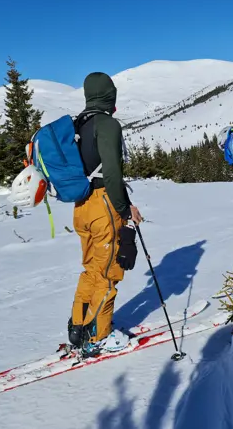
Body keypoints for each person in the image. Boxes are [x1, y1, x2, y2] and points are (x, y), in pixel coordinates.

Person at [68, 72, 142, 353]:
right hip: (103, 205)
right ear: (109, 94)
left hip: (82, 206)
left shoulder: (79, 124)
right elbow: (112, 172)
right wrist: (125, 209)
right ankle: (99, 336)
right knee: (109, 272)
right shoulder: (107, 124)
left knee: (91, 269)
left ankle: (78, 327)